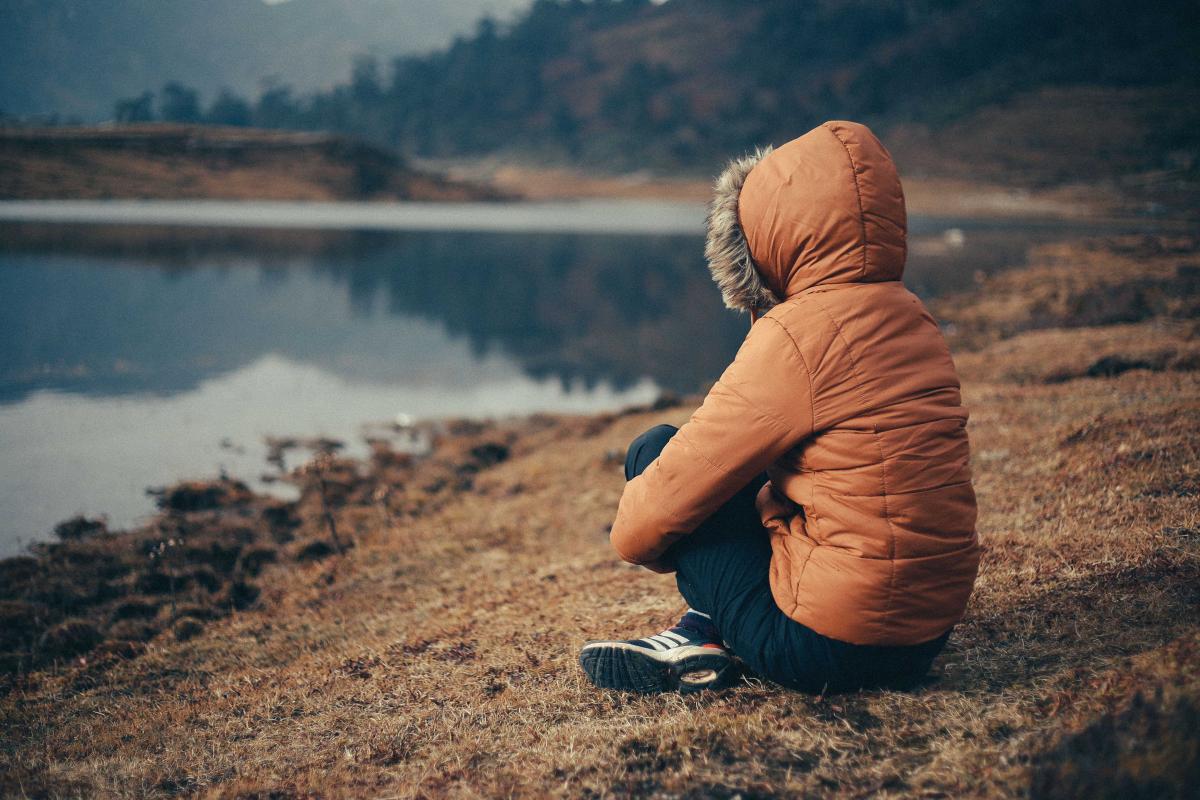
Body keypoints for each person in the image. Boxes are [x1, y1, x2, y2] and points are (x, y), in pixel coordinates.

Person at [579, 121, 980, 695]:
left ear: (768, 235)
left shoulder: (798, 334)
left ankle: (706, 628)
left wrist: (691, 552)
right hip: (923, 636)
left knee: (657, 450)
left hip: (824, 646)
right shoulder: (911, 315)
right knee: (759, 489)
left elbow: (642, 527)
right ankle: (705, 630)